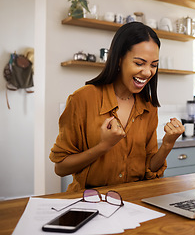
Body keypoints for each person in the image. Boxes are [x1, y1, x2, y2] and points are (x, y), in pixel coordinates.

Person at [50, 22, 185, 192]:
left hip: (135, 201)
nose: (147, 72)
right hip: (90, 201)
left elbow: (149, 168)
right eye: (139, 63)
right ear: (119, 59)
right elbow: (61, 168)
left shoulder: (148, 106)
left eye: (153, 65)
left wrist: (167, 144)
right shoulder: (82, 99)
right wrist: (104, 146)